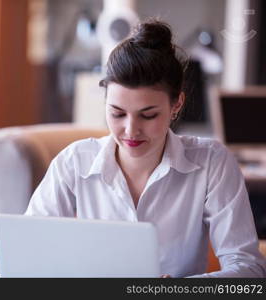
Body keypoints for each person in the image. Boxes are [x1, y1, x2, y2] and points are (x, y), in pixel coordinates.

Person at [25, 20, 266, 277]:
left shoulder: (211, 163)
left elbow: (248, 270)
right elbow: (28, 256)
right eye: (117, 113)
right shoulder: (74, 161)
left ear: (177, 105)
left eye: (148, 115)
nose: (130, 130)